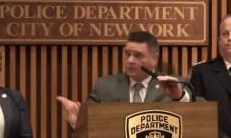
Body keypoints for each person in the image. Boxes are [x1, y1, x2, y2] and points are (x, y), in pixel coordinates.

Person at [57, 30, 192, 129]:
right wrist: (77, 121)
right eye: (127, 54)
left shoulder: (174, 86)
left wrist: (179, 97)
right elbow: (87, 133)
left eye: (137, 55)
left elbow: (196, 115)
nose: (130, 60)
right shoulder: (105, 87)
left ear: (155, 59)